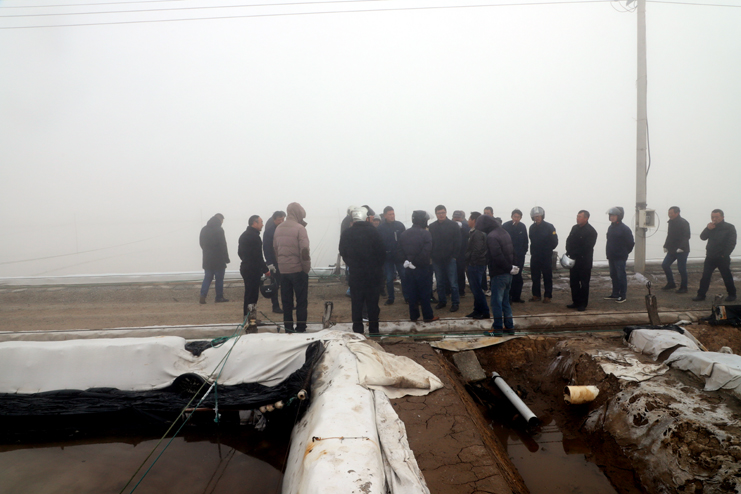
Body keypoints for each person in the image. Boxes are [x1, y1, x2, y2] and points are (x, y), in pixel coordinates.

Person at [339, 207, 386, 334]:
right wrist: (376, 267)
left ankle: (358, 331)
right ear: (366, 218)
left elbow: (342, 252)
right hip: (373, 275)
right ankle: (374, 331)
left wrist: (352, 264)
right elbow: (382, 253)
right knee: (373, 305)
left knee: (356, 304)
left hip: (356, 275)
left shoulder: (347, 233)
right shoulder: (374, 232)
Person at [273, 203, 311, 333]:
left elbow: (275, 249)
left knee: (286, 302)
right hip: (298, 270)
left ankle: (288, 328)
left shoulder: (278, 228)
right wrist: (306, 268)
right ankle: (300, 327)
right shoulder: (300, 228)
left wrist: (281, 264)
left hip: (283, 271)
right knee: (301, 301)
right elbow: (304, 251)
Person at [398, 211, 439, 323]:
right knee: (425, 293)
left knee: (412, 293)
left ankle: (414, 316)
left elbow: (399, 250)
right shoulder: (426, 234)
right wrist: (415, 262)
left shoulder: (404, 234)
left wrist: (407, 261)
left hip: (408, 268)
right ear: (423, 220)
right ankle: (428, 316)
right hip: (422, 268)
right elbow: (426, 252)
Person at [693, 209, 737, 302]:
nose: (714, 219)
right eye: (712, 217)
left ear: (722, 217)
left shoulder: (729, 227)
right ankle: (701, 295)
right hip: (710, 256)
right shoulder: (711, 227)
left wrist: (724, 255)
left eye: (716, 217)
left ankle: (732, 294)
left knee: (726, 276)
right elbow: (702, 237)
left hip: (722, 257)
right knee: (705, 276)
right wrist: (707, 229)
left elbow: (732, 243)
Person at [485, 215, 515, 336]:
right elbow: (512, 251)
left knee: (496, 303)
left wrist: (507, 268)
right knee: (505, 302)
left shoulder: (492, 236)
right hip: (508, 274)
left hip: (499, 274)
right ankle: (509, 327)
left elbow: (497, 256)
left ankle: (497, 329)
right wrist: (511, 268)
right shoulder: (504, 232)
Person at [429, 205, 462, 312]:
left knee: (453, 283)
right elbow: (430, 242)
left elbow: (458, 241)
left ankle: (455, 303)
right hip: (437, 259)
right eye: (439, 213)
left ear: (446, 213)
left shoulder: (453, 225)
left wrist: (455, 256)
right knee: (440, 282)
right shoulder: (432, 226)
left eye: (443, 212)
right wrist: (432, 255)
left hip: (450, 259)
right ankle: (442, 301)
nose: (441, 215)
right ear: (436, 214)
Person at [565, 210, 598, 311]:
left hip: (584, 262)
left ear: (586, 218)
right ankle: (575, 302)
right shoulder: (574, 228)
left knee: (584, 284)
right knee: (574, 283)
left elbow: (587, 247)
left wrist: (574, 252)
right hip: (573, 261)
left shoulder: (591, 231)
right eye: (577, 216)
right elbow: (569, 240)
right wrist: (568, 251)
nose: (577, 218)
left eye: (580, 217)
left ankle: (583, 304)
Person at [238, 215, 271, 316]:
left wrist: (246, 260)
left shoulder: (243, 235)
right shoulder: (255, 237)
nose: (262, 224)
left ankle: (247, 316)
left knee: (248, 293)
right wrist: (265, 269)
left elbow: (240, 253)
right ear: (254, 223)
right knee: (252, 295)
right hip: (253, 269)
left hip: (245, 267)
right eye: (261, 222)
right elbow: (258, 256)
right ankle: (251, 318)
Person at [466, 214, 496, 319]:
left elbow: (477, 250)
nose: (468, 221)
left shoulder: (478, 233)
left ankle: (485, 311)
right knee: (475, 288)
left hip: (476, 264)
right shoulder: (475, 232)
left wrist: (472, 262)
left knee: (477, 289)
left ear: (474, 220)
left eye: (469, 219)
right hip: (478, 263)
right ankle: (477, 310)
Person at [377, 206, 409, 306]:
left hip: (399, 256)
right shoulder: (380, 228)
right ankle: (391, 298)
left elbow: (405, 240)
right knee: (389, 279)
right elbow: (378, 243)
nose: (392, 216)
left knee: (404, 277)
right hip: (387, 257)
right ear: (385, 216)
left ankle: (407, 297)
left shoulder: (400, 225)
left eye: (393, 214)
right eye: (390, 214)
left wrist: (405, 254)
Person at [528, 206, 558, 303]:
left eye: (539, 216)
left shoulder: (549, 227)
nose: (537, 218)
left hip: (546, 256)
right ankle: (536, 295)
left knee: (547, 276)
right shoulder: (532, 228)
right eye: (535, 216)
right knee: (535, 276)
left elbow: (554, 241)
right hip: (535, 256)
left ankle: (547, 296)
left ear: (542, 216)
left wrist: (547, 249)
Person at [605, 207, 634, 303]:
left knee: (621, 275)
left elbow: (630, 243)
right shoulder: (611, 227)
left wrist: (624, 252)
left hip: (620, 257)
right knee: (613, 275)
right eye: (611, 215)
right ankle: (615, 293)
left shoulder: (624, 229)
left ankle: (622, 295)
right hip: (611, 256)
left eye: (614, 215)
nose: (612, 217)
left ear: (619, 216)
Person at [199, 213, 230, 304]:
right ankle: (219, 297)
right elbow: (223, 245)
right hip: (218, 258)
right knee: (219, 278)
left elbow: (201, 243)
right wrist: (226, 258)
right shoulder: (219, 230)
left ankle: (203, 295)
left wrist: (207, 251)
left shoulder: (204, 229)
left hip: (207, 258)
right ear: (220, 220)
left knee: (207, 277)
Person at [662, 206, 691, 294]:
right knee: (665, 265)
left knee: (681, 268)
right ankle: (671, 283)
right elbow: (669, 235)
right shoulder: (671, 222)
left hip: (682, 250)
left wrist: (681, 247)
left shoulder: (683, 222)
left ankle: (684, 287)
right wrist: (666, 245)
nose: (669, 215)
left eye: (671, 213)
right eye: (669, 213)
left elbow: (686, 236)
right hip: (672, 249)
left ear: (677, 213)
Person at [502, 209, 528, 303]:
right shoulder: (506, 226)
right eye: (514, 217)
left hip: (519, 256)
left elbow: (525, 241)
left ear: (520, 218)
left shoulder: (522, 226)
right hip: (508, 256)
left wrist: (524, 251)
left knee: (518, 276)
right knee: (509, 276)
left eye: (518, 217)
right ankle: (508, 297)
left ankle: (517, 297)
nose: (516, 219)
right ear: (511, 217)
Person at [263, 211, 286, 313]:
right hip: (274, 262)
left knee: (286, 284)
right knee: (275, 285)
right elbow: (266, 248)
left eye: (282, 219)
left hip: (285, 261)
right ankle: (275, 306)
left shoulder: (286, 229)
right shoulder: (269, 232)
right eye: (278, 220)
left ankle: (287, 304)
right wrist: (269, 263)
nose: (281, 222)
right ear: (274, 220)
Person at [452, 210, 469, 297]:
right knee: (451, 273)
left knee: (460, 272)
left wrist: (461, 226)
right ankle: (450, 290)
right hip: (451, 253)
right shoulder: (450, 225)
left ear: (462, 218)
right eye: (455, 218)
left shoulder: (465, 226)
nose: (457, 219)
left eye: (458, 218)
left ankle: (461, 291)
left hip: (462, 253)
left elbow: (468, 233)